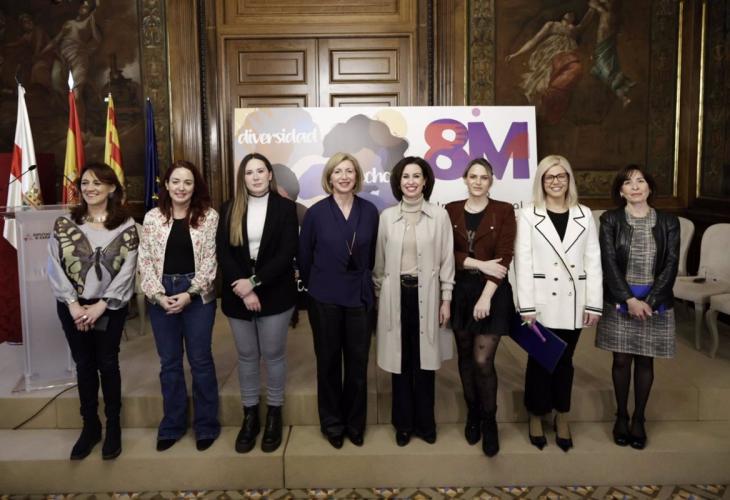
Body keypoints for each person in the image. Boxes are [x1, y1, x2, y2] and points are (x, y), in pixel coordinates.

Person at [47, 162, 138, 460]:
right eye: (85, 183)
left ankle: (113, 426)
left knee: (108, 364)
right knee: (84, 364)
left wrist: (101, 305)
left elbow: (128, 270)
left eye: (97, 183)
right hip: (72, 307)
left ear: (112, 188)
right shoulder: (64, 224)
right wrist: (73, 305)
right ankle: (90, 426)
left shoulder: (126, 225)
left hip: (109, 307)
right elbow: (54, 265)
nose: (90, 188)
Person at [514, 154, 602, 452]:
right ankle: (536, 413)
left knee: (565, 361)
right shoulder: (529, 214)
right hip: (541, 301)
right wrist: (526, 306)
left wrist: (594, 303)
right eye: (549, 176)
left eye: (561, 176)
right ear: (541, 181)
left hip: (574, 300)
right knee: (540, 359)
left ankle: (562, 414)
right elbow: (523, 262)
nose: (556, 181)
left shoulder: (584, 214)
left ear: (569, 179)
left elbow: (593, 260)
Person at [217, 153, 298, 453]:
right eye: (249, 172)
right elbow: (223, 252)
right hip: (237, 292)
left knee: (273, 355)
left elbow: (287, 252)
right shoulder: (229, 208)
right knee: (247, 356)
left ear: (269, 175)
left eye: (260, 171)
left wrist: (254, 282)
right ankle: (250, 415)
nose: (255, 177)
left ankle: (274, 413)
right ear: (243, 177)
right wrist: (244, 288)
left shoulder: (285, 208)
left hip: (275, 292)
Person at [298, 152, 379, 449]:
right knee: (328, 363)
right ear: (329, 177)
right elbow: (304, 257)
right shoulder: (316, 213)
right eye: (338, 172)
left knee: (358, 365)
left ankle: (355, 424)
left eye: (349, 171)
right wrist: (318, 285)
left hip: (358, 296)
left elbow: (374, 255)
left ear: (356, 177)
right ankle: (332, 423)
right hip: (324, 297)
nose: (344, 177)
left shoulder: (370, 211)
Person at [138, 160, 220, 452]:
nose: (181, 187)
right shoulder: (152, 218)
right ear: (166, 185)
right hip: (161, 294)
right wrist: (159, 296)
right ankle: (172, 425)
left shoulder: (208, 217)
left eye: (187, 182)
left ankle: (206, 425)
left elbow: (210, 259)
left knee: (200, 360)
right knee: (170, 362)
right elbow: (145, 260)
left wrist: (190, 293)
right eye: (176, 181)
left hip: (197, 296)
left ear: (195, 186)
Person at [595, 165, 679, 449]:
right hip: (621, 301)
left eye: (640, 181)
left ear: (649, 187)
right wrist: (629, 300)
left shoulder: (668, 222)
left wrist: (650, 302)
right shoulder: (610, 220)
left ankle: (639, 418)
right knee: (621, 360)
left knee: (645, 360)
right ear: (621, 191)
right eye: (628, 183)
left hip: (655, 303)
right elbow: (608, 262)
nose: (635, 187)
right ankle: (621, 415)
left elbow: (671, 264)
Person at [374, 156, 455, 447]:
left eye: (416, 176)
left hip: (428, 296)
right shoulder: (386, 217)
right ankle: (403, 424)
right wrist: (380, 299)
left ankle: (425, 423)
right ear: (398, 182)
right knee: (401, 360)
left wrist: (446, 299)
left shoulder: (440, 216)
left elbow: (447, 260)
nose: (410, 181)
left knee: (424, 362)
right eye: (405, 176)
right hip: (395, 296)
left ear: (425, 181)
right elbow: (379, 264)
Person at [445, 158, 516, 457]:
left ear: (491, 181)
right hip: (461, 290)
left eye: (483, 177)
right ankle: (473, 414)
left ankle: (489, 421)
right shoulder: (450, 210)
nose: (477, 182)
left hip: (492, 291)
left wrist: (486, 297)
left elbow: (504, 257)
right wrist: (478, 263)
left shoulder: (504, 210)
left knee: (482, 360)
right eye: (472, 176)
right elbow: (447, 252)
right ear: (465, 179)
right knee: (464, 357)